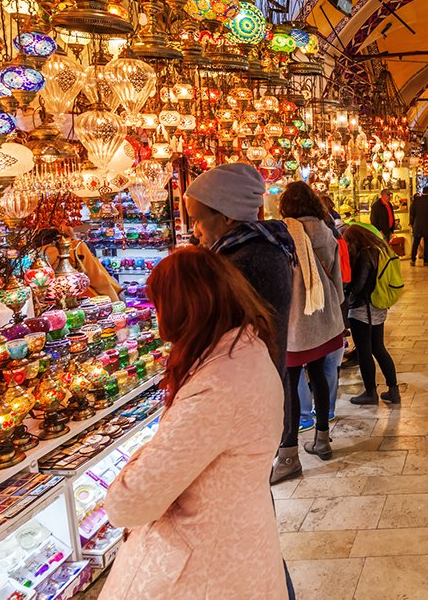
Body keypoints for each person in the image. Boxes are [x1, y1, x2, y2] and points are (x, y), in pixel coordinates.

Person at [100, 247, 287, 600]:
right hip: (237, 545)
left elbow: (129, 503)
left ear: (184, 308)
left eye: (159, 306)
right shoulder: (247, 349)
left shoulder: (216, 387)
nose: (158, 320)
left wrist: (140, 459)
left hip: (204, 567)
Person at [184, 163, 297, 479]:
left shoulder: (244, 262)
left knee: (244, 486)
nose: (195, 231)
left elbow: (217, 331)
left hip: (248, 400)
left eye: (198, 220)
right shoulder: (257, 248)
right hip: (259, 391)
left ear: (226, 216)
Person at [278, 181, 345, 464]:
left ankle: (288, 453)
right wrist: (334, 308)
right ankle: (322, 439)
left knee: (290, 383)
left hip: (295, 322)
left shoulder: (283, 234)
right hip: (324, 317)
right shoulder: (326, 232)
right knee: (318, 375)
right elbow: (336, 278)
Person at [344, 225, 399, 405]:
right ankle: (393, 391)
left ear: (355, 239)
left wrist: (345, 283)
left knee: (364, 353)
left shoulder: (364, 255)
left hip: (362, 311)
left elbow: (357, 287)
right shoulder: (380, 250)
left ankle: (370, 393)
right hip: (378, 307)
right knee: (378, 348)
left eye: (349, 242)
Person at [38, 225, 122, 302]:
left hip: (49, 305)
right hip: (81, 302)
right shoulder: (75, 247)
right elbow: (99, 281)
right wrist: (115, 303)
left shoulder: (35, 254)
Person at [410, 186, 428, 267]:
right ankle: (426, 260)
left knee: (415, 243)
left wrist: (411, 223)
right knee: (427, 243)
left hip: (417, 225)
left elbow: (412, 213)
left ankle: (413, 259)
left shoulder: (416, 202)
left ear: (422, 192)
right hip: (427, 225)